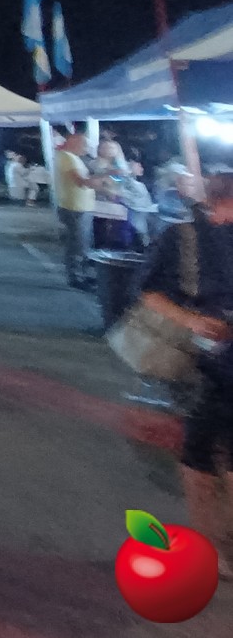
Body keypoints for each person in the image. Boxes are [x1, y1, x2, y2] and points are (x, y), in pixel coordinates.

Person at [133, 172, 233, 582]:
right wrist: (191, 321)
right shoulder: (184, 237)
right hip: (203, 361)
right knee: (201, 448)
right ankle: (210, 542)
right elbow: (148, 290)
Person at [53, 130, 103, 291]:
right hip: (75, 207)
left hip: (78, 206)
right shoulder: (67, 158)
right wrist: (104, 178)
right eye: (84, 145)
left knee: (81, 243)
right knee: (78, 244)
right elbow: (81, 182)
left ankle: (80, 274)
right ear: (74, 143)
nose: (86, 149)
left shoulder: (70, 157)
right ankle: (76, 276)